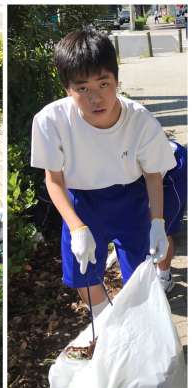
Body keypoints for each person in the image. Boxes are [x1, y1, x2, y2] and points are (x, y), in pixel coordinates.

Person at [31, 28, 176, 319]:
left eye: (104, 83)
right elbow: (54, 180)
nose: (95, 98)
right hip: (81, 203)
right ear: (67, 89)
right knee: (83, 276)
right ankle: (108, 323)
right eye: (82, 88)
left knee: (141, 273)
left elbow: (153, 174)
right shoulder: (50, 120)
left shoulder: (140, 120)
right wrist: (76, 228)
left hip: (130, 198)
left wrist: (157, 221)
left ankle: (141, 316)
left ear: (117, 80)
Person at [106, 140, 187, 293]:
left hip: (175, 171)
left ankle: (165, 278)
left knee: (162, 229)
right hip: (145, 173)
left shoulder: (126, 168)